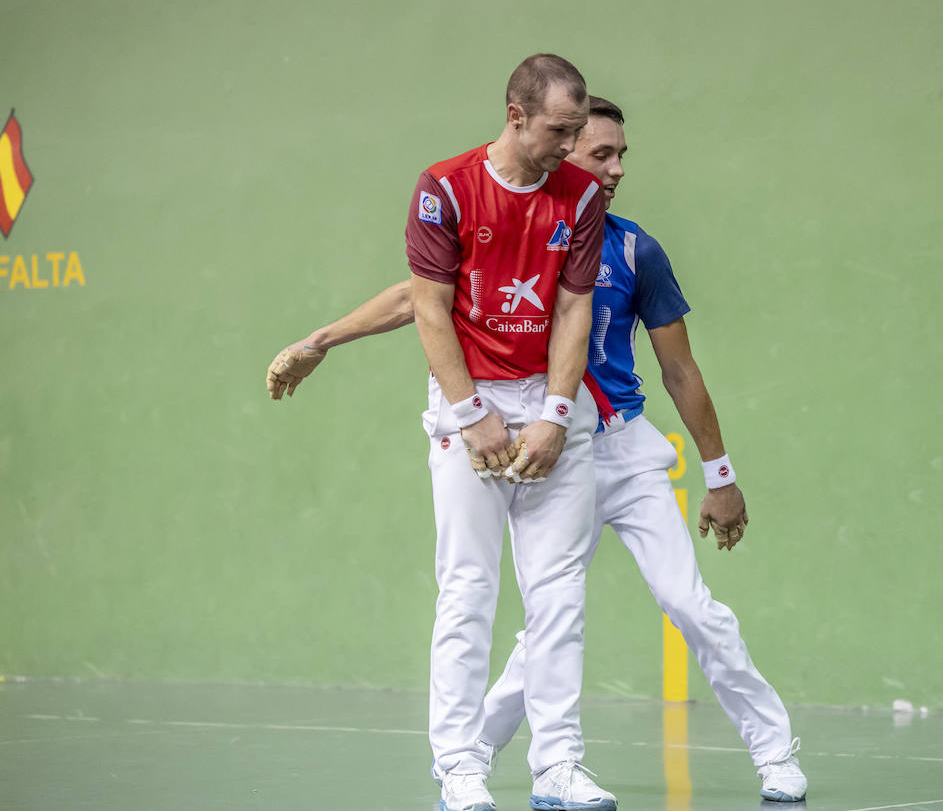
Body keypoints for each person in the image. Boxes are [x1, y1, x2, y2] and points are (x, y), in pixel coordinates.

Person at [268, 97, 807, 803]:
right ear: (554, 150)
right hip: (535, 443)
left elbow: (680, 369)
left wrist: (720, 473)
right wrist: (320, 341)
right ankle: (473, 759)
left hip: (619, 447)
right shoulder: (515, 223)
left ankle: (772, 752)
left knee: (685, 604)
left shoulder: (634, 249)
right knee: (543, 610)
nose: (612, 171)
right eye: (596, 154)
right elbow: (414, 298)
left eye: (620, 157)